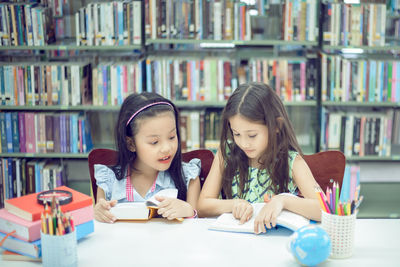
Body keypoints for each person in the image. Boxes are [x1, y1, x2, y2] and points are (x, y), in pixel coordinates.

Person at [197, 82, 321, 234]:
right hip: (233, 242)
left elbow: (323, 209)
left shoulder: (292, 162)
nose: (244, 143)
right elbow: (202, 206)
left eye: (252, 135)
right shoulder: (226, 153)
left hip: (272, 243)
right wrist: (234, 204)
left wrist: (283, 200)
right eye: (236, 134)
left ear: (276, 126)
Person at [94, 92, 200, 223]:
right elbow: (102, 227)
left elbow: (196, 230)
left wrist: (189, 211)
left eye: (172, 137)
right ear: (131, 143)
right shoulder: (108, 181)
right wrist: (98, 213)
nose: (167, 148)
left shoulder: (188, 177)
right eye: (154, 142)